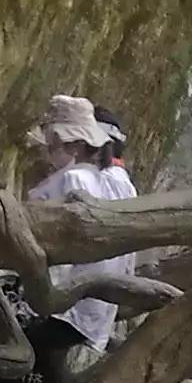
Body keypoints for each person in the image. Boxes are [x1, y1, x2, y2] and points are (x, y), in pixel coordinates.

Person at [28, 94, 139, 367]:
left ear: (74, 145)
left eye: (52, 144)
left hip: (63, 303)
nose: (48, 152)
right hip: (93, 311)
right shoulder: (109, 182)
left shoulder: (73, 179)